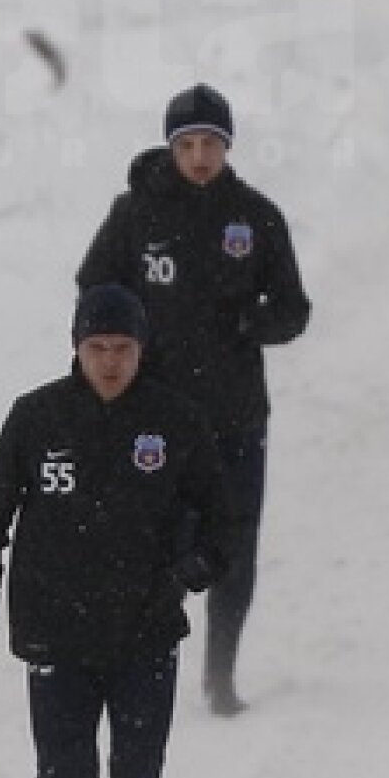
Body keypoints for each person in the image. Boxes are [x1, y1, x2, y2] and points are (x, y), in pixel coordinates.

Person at [0, 283, 232, 778]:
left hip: (146, 632)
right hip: (58, 629)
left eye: (124, 348)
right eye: (97, 347)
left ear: (143, 350)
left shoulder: (176, 422)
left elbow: (223, 523)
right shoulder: (37, 417)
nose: (110, 362)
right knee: (63, 770)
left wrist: (191, 570)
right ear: (77, 347)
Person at [76, 85, 311, 717]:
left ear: (228, 147)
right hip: (157, 416)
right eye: (188, 143)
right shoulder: (134, 215)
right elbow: (92, 289)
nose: (200, 155)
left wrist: (249, 324)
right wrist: (125, 347)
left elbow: (293, 311)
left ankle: (221, 673)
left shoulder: (255, 217)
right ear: (170, 146)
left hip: (236, 416)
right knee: (157, 545)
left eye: (212, 143)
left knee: (233, 545)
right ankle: (142, 672)